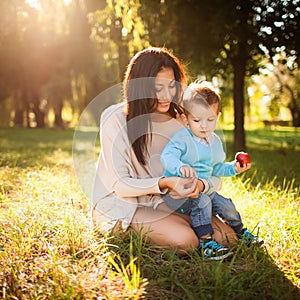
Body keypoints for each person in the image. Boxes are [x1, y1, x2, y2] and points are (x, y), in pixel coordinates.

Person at [92, 47, 238, 255]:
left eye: (171, 86)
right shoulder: (114, 118)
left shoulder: (183, 121)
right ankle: (148, 231)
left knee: (228, 239)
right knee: (185, 241)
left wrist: (201, 184)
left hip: (166, 202)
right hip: (125, 204)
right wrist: (165, 182)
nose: (166, 96)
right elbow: (120, 185)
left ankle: (175, 223)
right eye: (157, 88)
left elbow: (212, 172)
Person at [160, 81, 263, 259]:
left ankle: (241, 232)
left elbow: (217, 168)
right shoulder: (182, 138)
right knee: (203, 204)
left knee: (226, 205)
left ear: (218, 116)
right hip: (180, 193)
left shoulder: (214, 141)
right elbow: (166, 156)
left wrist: (234, 168)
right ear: (186, 119)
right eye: (196, 120)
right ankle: (206, 243)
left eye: (210, 120)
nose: (204, 126)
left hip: (205, 190)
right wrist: (180, 166)